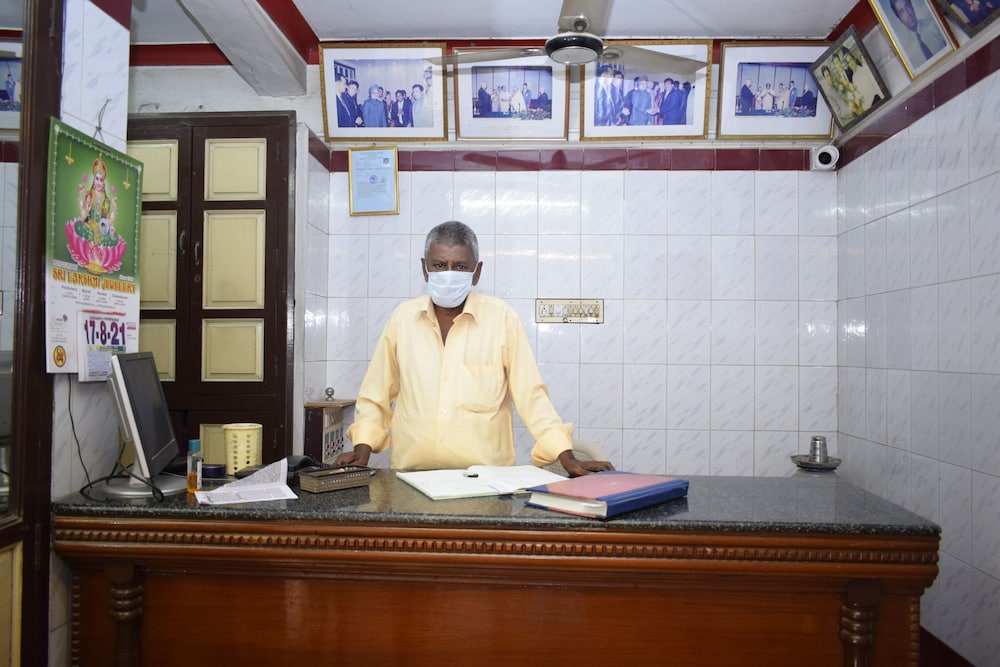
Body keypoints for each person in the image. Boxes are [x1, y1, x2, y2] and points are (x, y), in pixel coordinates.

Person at [335, 221, 615, 476]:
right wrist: (363, 448)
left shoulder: (502, 319)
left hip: (487, 481)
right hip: (413, 478)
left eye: (460, 267)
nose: (448, 274)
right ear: (425, 268)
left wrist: (566, 456)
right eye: (439, 264)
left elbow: (532, 396)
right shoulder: (402, 319)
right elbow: (376, 393)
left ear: (476, 272)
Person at [888, 0, 947, 66]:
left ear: (912, 7)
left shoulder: (934, 24)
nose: (907, 14)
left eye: (907, 6)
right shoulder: (908, 53)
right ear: (900, 20)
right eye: (902, 12)